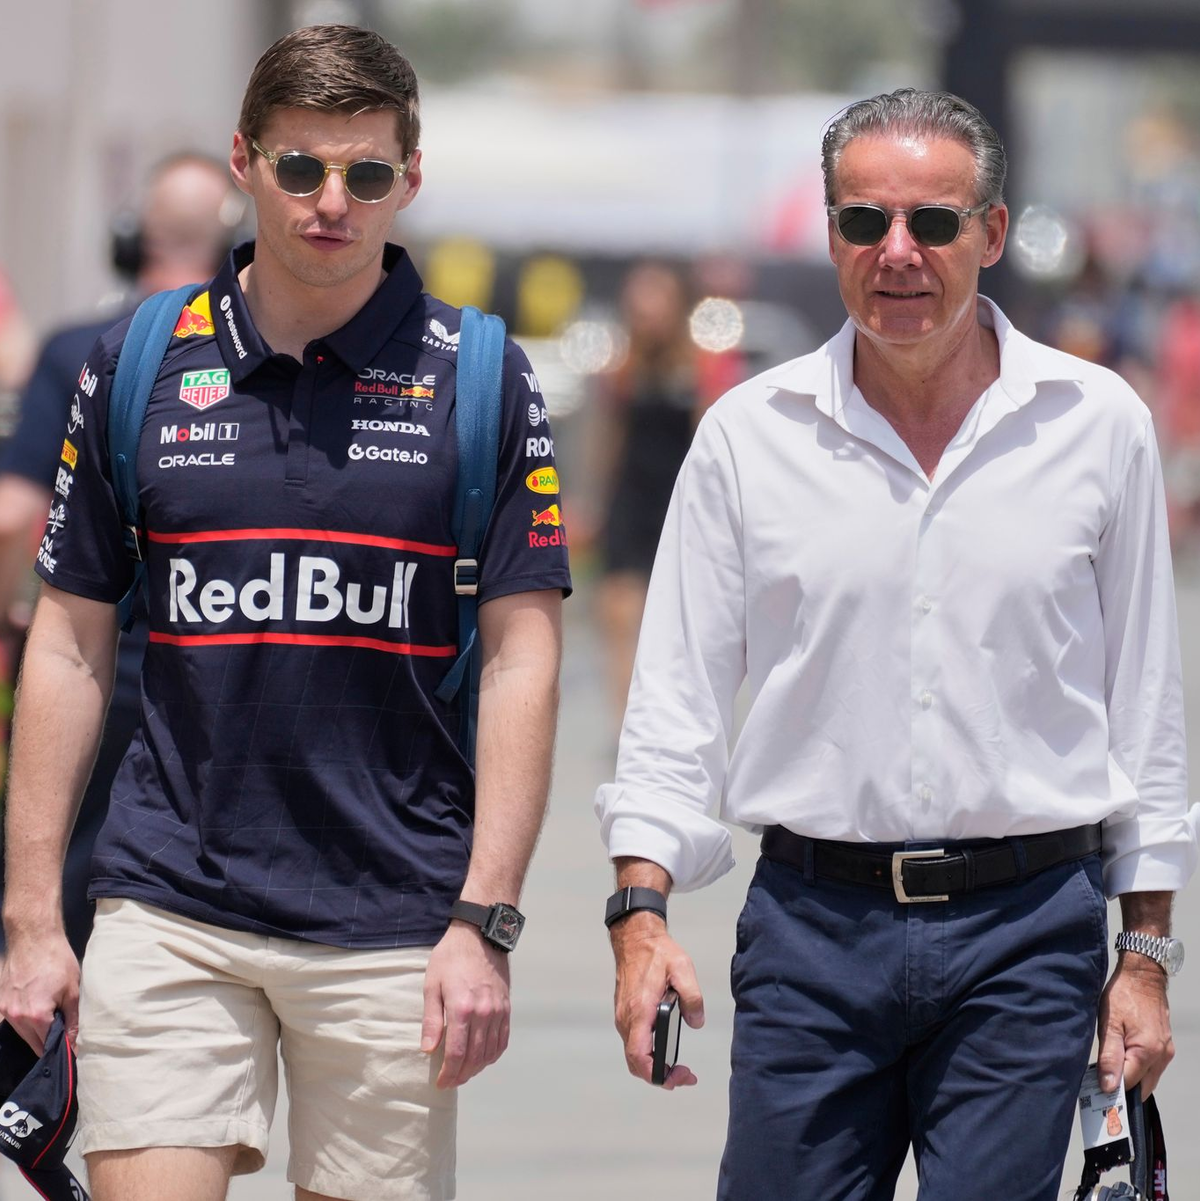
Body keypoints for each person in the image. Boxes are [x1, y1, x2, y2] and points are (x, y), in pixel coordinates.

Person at [0, 24, 568, 1201]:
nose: (332, 201)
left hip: (394, 915)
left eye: (365, 173)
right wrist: (30, 917)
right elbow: (66, 641)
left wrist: (487, 920)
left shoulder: (481, 375)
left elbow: (522, 659)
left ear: (409, 179)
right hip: (169, 901)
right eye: (301, 167)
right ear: (244, 165)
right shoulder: (138, 361)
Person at [596, 88, 1194, 1200]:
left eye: (935, 222)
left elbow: (1145, 713)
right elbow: (674, 702)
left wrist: (1145, 956)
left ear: (994, 234)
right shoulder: (746, 437)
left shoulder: (1098, 424)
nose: (899, 253)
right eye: (866, 222)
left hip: (1027, 935)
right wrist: (641, 916)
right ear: (832, 235)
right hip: (811, 932)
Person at [0, 151, 237, 957]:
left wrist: (18, 613)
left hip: (87, 659)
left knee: (61, 875)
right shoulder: (251, 353)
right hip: (214, 673)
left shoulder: (80, 347)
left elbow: (13, 514)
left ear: (132, 236)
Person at [594, 261, 714, 728]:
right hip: (629, 497)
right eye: (638, 301)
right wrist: (592, 504)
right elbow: (607, 439)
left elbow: (708, 438)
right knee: (620, 614)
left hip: (677, 500)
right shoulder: (620, 367)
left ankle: (672, 717)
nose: (645, 311)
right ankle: (630, 724)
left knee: (677, 622)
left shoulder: (698, 365)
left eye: (655, 299)